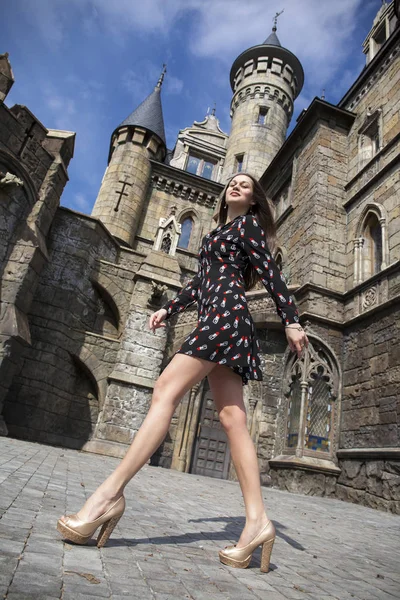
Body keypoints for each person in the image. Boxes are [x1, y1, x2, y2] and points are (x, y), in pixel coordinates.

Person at [57, 172, 308, 573]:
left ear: (256, 200)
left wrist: (291, 320)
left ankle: (107, 496)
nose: (237, 186)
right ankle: (258, 522)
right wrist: (169, 308)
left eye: (246, 184)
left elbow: (272, 275)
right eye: (233, 183)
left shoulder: (248, 228)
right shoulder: (218, 235)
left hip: (226, 318)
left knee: (164, 391)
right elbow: (200, 283)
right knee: (232, 418)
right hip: (218, 318)